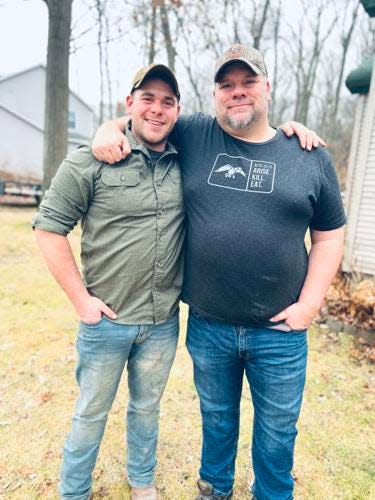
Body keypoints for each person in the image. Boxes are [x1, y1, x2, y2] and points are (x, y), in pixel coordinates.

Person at [92, 45, 345, 500]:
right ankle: (215, 488)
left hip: (280, 331)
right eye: (226, 85)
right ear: (214, 95)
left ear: (267, 88)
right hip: (210, 324)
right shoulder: (195, 134)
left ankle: (271, 492)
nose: (237, 93)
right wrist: (106, 129)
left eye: (248, 83)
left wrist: (309, 305)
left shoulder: (307, 155)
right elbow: (146, 118)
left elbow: (329, 236)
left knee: (277, 428)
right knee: (217, 417)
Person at [32, 64, 183, 500]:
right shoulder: (91, 159)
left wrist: (288, 128)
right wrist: (82, 302)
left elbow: (241, 124)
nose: (157, 109)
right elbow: (48, 228)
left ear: (177, 110)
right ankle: (73, 492)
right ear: (129, 103)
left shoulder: (184, 157)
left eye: (167, 101)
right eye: (148, 98)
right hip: (107, 323)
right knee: (91, 413)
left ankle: (142, 483)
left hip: (161, 323)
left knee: (147, 409)